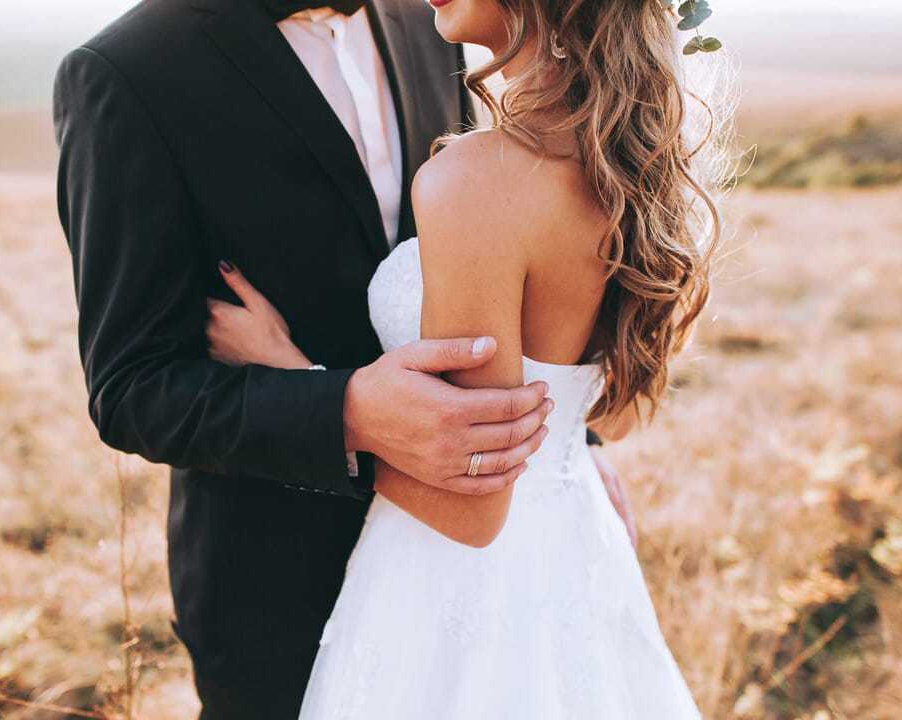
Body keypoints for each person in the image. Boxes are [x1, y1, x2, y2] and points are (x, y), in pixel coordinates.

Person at [52, 0, 638, 716]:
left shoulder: (439, 19)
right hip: (278, 586)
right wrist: (345, 410)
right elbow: (133, 387)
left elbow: (521, 262)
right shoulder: (129, 73)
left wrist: (572, 439)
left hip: (485, 577)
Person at [201, 0, 730, 715]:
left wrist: (296, 377)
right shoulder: (637, 157)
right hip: (579, 559)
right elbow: (621, 411)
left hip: (451, 593)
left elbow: (470, 514)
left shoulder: (478, 180)